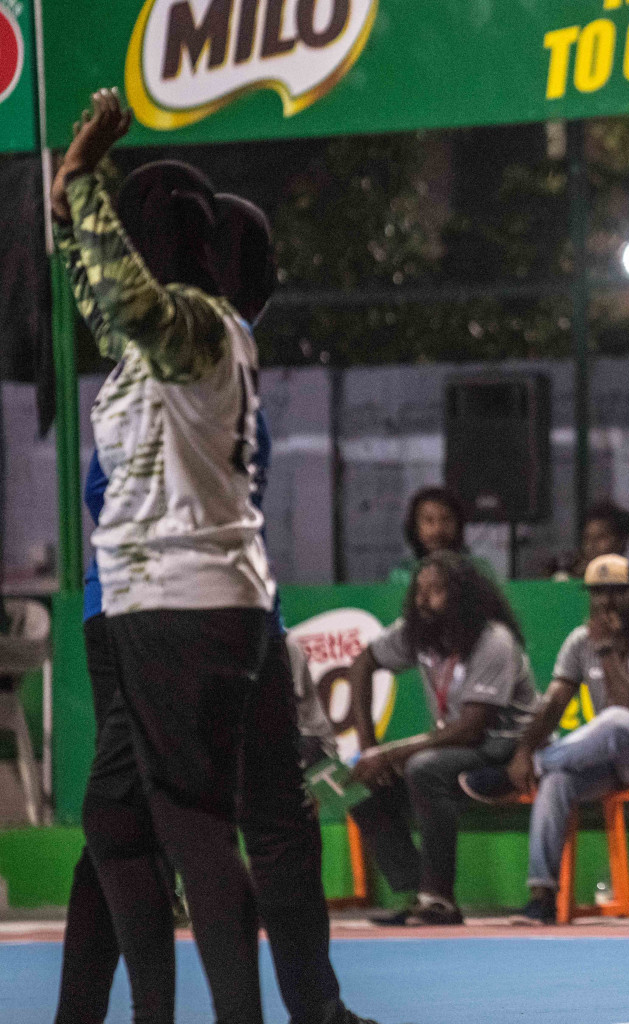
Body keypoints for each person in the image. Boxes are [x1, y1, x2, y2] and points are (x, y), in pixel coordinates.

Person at [51, 88, 286, 1024]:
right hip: (159, 605)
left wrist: (86, 177)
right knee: (120, 821)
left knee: (189, 830)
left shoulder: (193, 324)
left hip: (185, 603)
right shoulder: (156, 346)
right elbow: (97, 287)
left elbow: (122, 293)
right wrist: (72, 191)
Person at [459, 554, 629, 925]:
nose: (606, 603)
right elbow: (553, 703)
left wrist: (607, 649)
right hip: (612, 760)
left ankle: (517, 772)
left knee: (615, 719)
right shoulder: (580, 640)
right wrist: (523, 749)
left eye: (616, 592)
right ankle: (542, 897)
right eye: (597, 593)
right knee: (557, 781)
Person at [345, 552, 539, 925]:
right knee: (361, 784)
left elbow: (472, 727)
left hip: (507, 748)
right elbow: (361, 665)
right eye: (419, 591)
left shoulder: (493, 639)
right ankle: (419, 892)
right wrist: (369, 749)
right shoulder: (420, 634)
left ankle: (441, 900)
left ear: (463, 596)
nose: (423, 600)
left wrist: (388, 754)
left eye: (436, 591)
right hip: (457, 746)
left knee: (424, 768)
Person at [387, 487, 500, 585]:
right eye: (429, 520)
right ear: (415, 527)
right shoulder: (402, 574)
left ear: (459, 525)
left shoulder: (479, 570)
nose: (438, 529)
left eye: (446, 519)